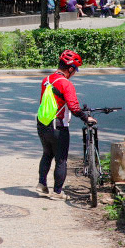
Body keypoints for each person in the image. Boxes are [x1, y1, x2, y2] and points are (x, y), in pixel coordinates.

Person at [36, 50, 96, 200]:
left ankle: (42, 184)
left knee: (47, 154)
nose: (74, 73)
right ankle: (57, 192)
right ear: (70, 69)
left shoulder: (46, 80)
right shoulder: (66, 84)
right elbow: (74, 107)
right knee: (61, 159)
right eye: (74, 70)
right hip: (58, 126)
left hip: (42, 123)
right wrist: (86, 118)